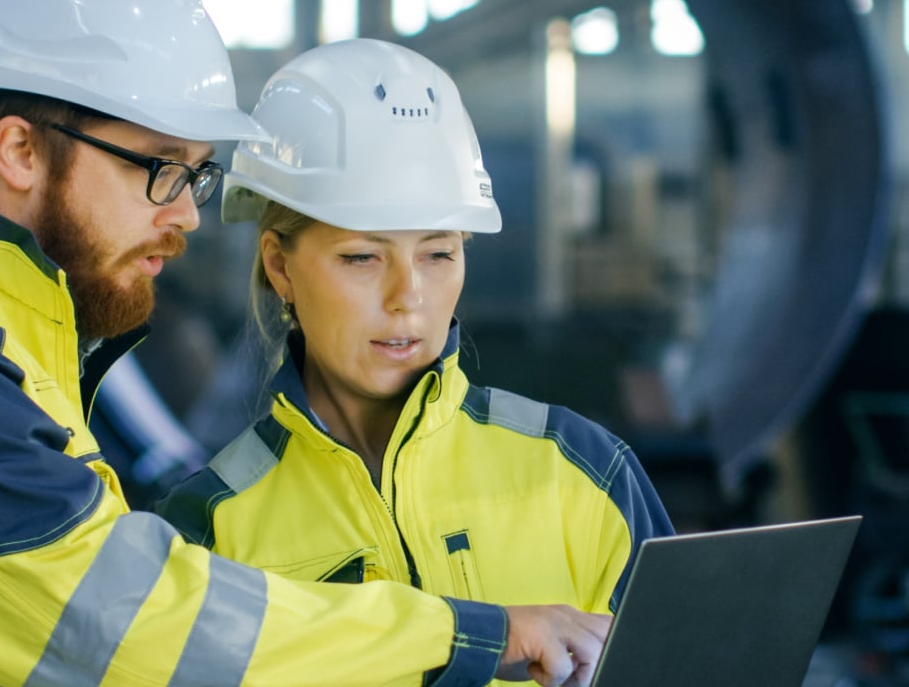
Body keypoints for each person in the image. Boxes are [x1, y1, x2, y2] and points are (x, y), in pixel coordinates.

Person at [0, 0, 612, 687]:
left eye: (194, 172)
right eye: (158, 166)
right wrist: (470, 636)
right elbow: (123, 628)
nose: (186, 211)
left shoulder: (1, 336)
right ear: (21, 149)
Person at [155, 38, 675, 684]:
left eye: (438, 254)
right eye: (362, 258)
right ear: (280, 266)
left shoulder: (586, 473)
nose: (409, 298)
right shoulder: (211, 530)